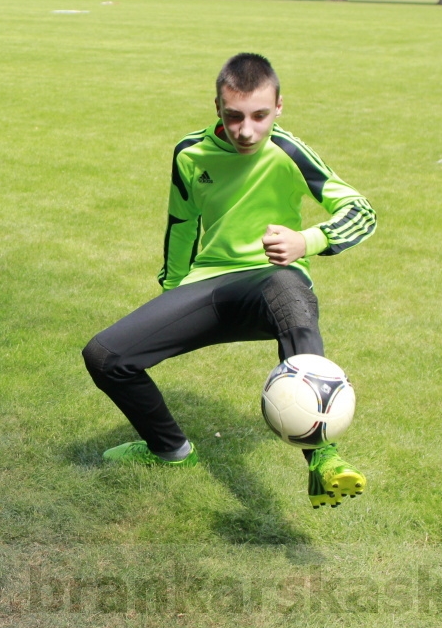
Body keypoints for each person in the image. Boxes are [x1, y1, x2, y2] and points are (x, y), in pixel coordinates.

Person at [82, 53, 377, 509]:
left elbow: (361, 211)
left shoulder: (290, 152)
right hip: (211, 286)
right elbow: (181, 225)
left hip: (272, 286)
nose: (246, 130)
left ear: (278, 107)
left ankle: (324, 460)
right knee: (104, 356)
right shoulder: (190, 153)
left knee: (287, 291)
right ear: (217, 107)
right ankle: (171, 451)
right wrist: (172, 292)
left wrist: (307, 240)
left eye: (260, 116)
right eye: (233, 116)